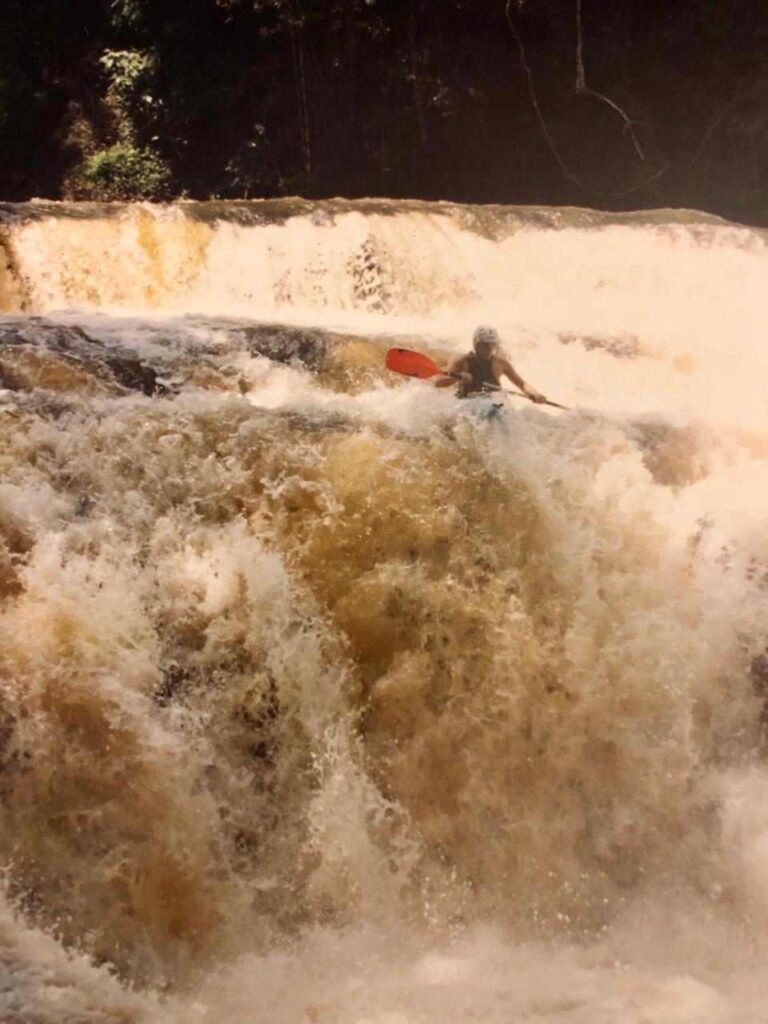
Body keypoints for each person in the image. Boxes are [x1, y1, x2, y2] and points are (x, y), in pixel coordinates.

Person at [433, 326, 547, 403]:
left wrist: (535, 394)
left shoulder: (501, 363)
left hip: (493, 403)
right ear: (476, 344)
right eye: (484, 345)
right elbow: (438, 382)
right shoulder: (461, 360)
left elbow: (521, 384)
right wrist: (457, 377)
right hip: (468, 404)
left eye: (491, 345)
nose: (488, 349)